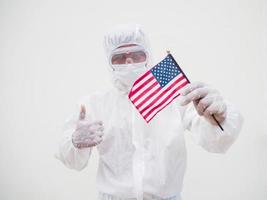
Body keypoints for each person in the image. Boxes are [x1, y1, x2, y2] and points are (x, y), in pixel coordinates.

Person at [55, 24, 243, 200]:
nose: (128, 61)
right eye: (119, 56)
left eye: (137, 54)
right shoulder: (95, 104)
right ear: (109, 61)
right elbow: (73, 162)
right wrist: (74, 142)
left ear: (148, 55)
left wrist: (218, 119)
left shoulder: (175, 97)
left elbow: (216, 143)